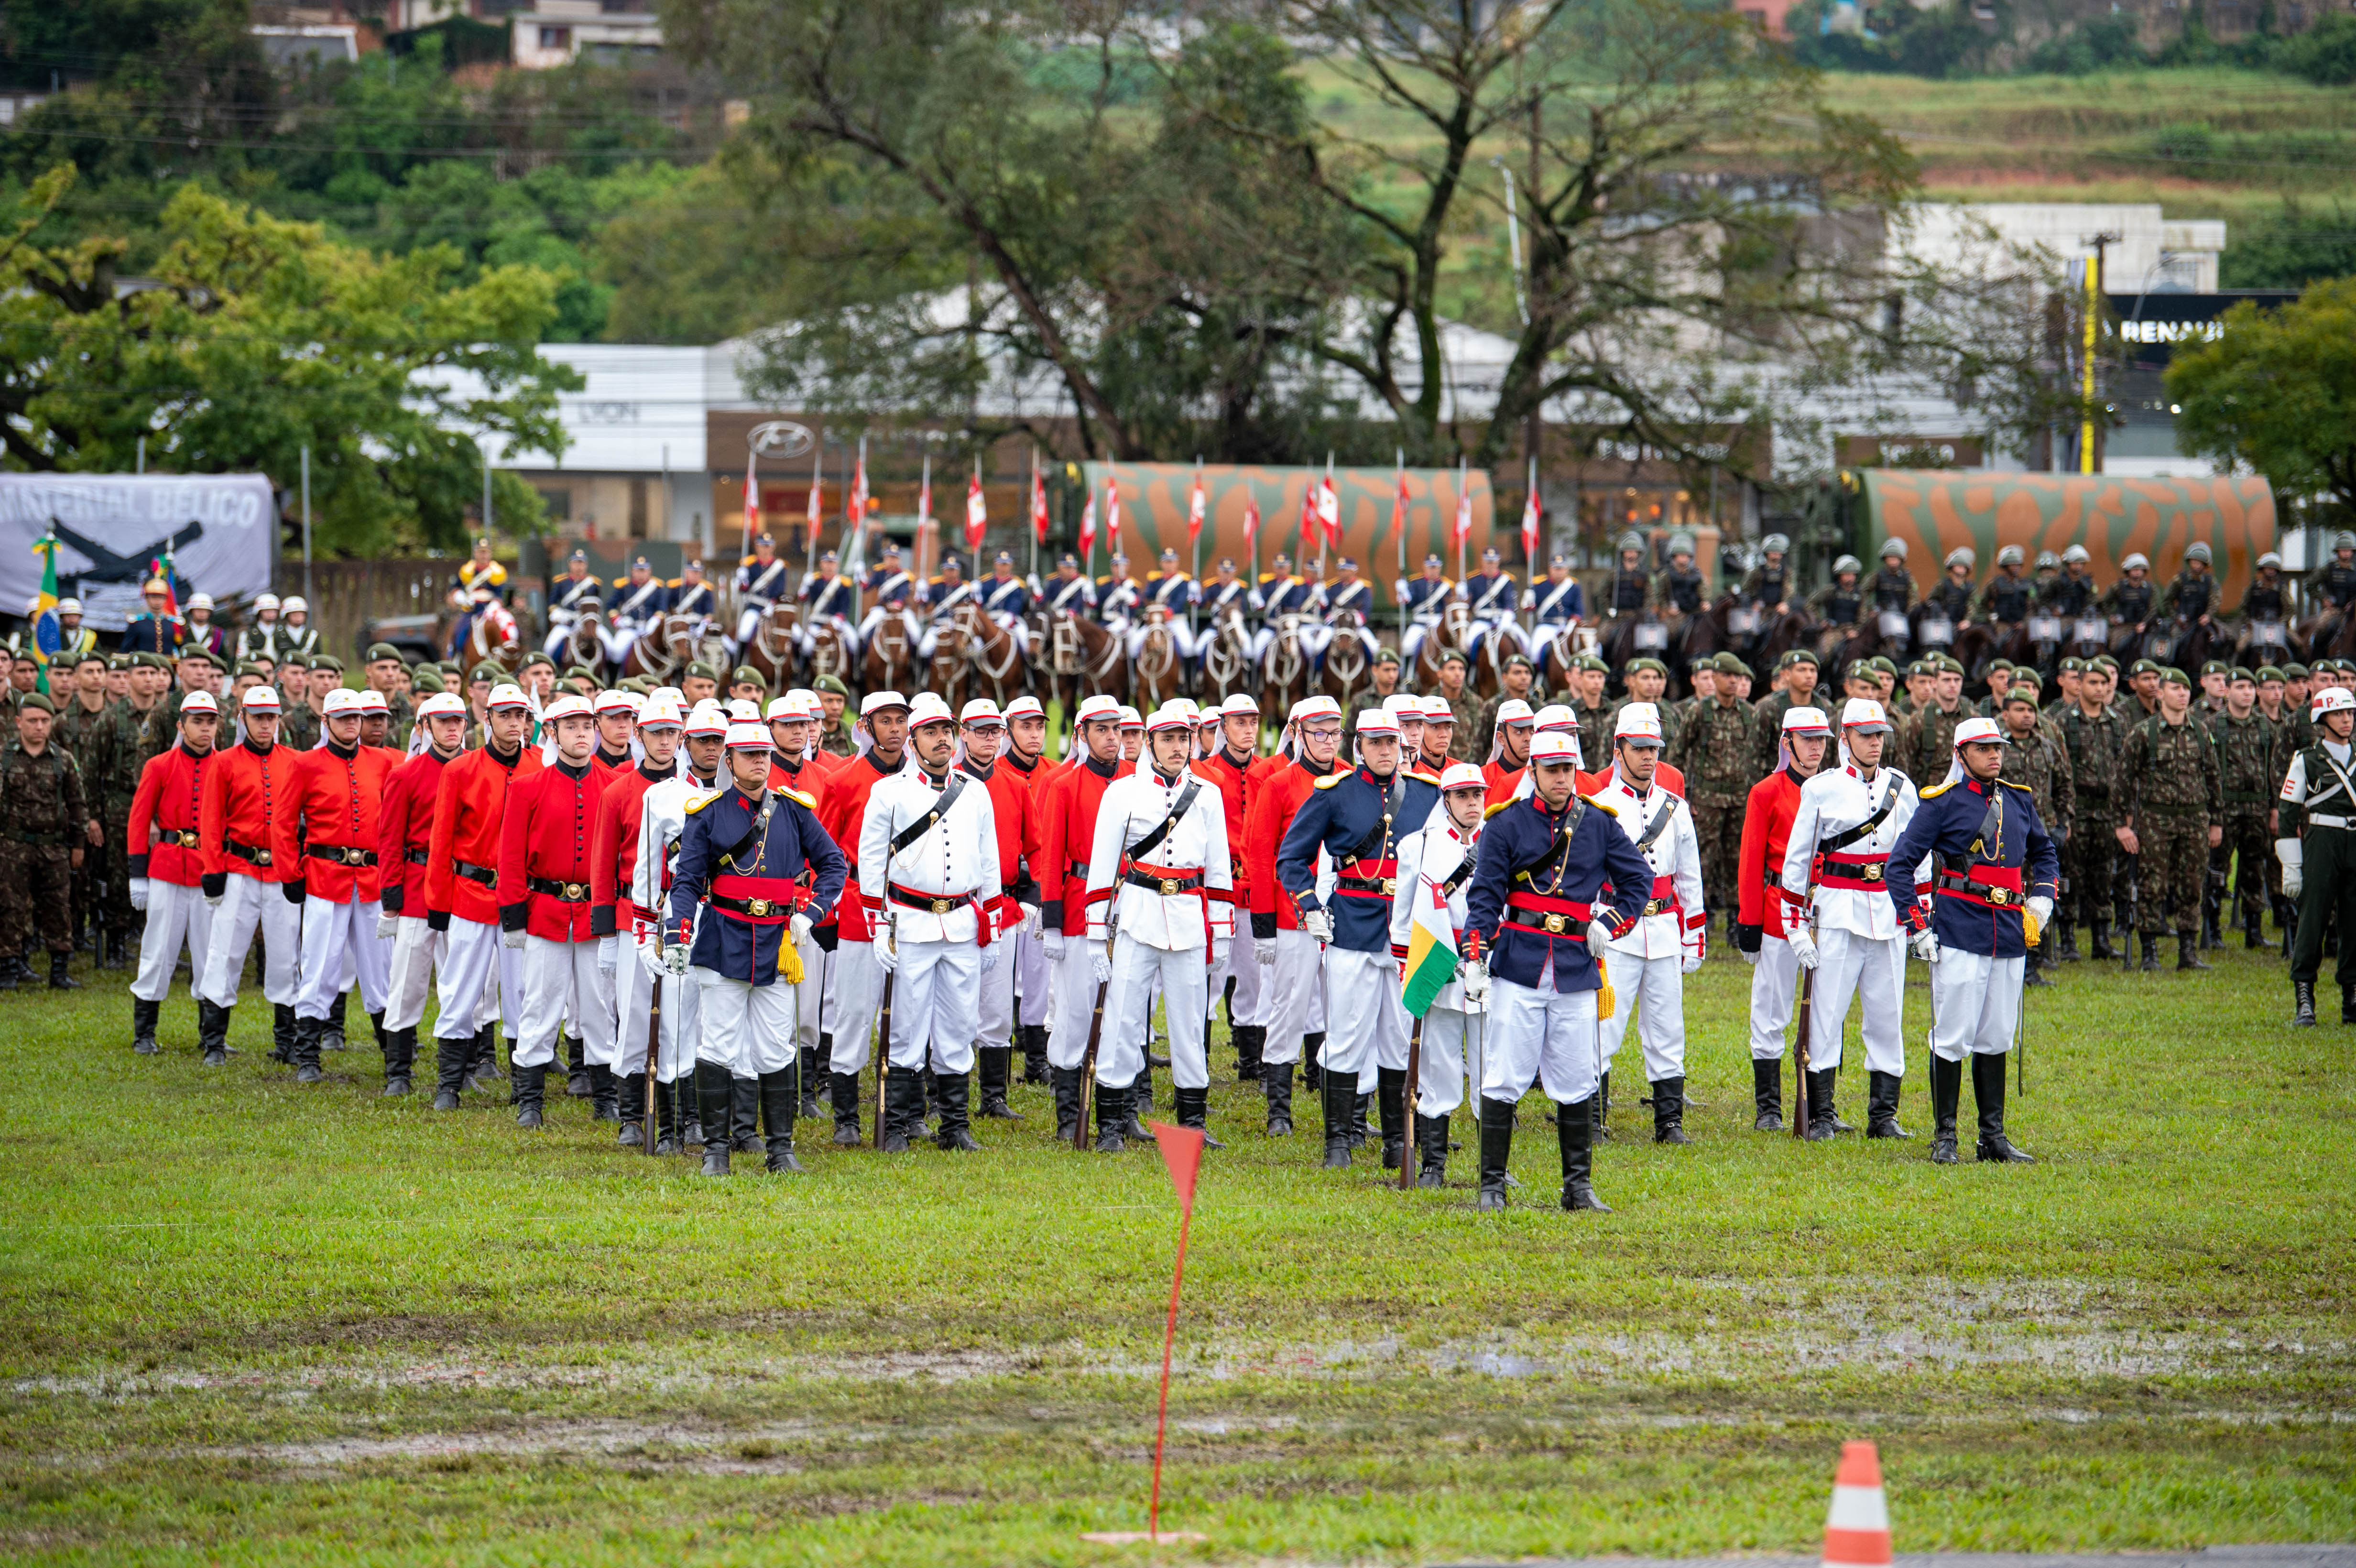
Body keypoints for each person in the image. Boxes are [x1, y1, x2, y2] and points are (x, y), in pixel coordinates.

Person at [1458, 729, 1650, 1212]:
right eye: (1552, 770)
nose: (1562, 778)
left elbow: (1638, 880)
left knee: (1577, 1075)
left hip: (1574, 965)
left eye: (1568, 769)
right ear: (1533, 772)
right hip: (1519, 962)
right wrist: (1474, 955)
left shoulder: (1599, 824)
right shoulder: (1505, 823)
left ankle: (1578, 1188)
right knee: (1504, 1074)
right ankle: (1491, 1186)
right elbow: (1485, 896)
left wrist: (1610, 922)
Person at [663, 717, 845, 1176]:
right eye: (749, 755)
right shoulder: (707, 812)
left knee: (775, 1047)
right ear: (730, 760)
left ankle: (780, 1150)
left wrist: (810, 914)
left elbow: (834, 864)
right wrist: (677, 932)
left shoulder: (795, 811)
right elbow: (687, 881)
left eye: (764, 754)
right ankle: (716, 1152)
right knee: (719, 1044)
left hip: (778, 942)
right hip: (723, 937)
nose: (759, 762)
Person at [1885, 715, 2060, 1165]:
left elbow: (2045, 851)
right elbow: (1899, 866)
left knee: (1997, 1035)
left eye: (1998, 747)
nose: (1994, 755)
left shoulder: (2019, 800)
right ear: (1961, 755)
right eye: (1983, 749)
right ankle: (1945, 1136)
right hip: (1961, 929)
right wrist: (1918, 927)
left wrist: (2042, 901)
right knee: (1952, 1035)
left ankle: (1992, 1138)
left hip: (2010, 931)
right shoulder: (1941, 803)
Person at [1083, 700, 1235, 1147]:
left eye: (1183, 738)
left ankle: (1192, 1125)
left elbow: (1219, 869)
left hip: (1188, 918)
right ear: (1149, 743)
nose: (1177, 747)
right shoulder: (1122, 793)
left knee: (1189, 1026)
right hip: (1137, 916)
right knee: (1122, 1022)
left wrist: (1222, 930)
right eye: (1167, 739)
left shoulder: (1207, 795)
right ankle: (1111, 1126)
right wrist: (1096, 935)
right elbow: (1102, 867)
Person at [859, 691, 1003, 1153]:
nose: (942, 740)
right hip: (910, 922)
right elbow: (870, 863)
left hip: (961, 923)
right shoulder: (889, 792)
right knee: (905, 1025)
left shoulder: (975, 791)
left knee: (960, 1024)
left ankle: (955, 1125)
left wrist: (993, 925)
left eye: (946, 731)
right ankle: (898, 1124)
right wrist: (878, 926)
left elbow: (990, 860)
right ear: (913, 740)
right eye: (931, 732)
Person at [1276, 708, 1413, 1169]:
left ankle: (1397, 1141)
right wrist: (1309, 906)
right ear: (1359, 747)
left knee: (1399, 1036)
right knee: (1346, 1035)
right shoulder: (1334, 793)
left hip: (1404, 931)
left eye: (1391, 742)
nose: (1385, 751)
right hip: (1352, 925)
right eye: (1375, 743)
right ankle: (1337, 1141)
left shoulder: (1424, 795)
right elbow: (1291, 857)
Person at [1781, 698, 1920, 1141]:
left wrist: (1919, 920)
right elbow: (1798, 860)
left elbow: (1917, 858)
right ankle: (1822, 1115)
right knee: (1826, 1016)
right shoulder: (1821, 788)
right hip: (1838, 912)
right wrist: (1795, 926)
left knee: (1887, 1015)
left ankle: (1884, 1116)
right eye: (1866, 735)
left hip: (1888, 913)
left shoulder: (1902, 787)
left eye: (1880, 735)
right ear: (1846, 738)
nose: (1875, 743)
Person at [496, 693, 621, 1130]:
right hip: (545, 912)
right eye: (571, 727)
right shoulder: (527, 787)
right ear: (552, 732)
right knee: (540, 1004)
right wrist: (514, 916)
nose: (581, 734)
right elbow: (511, 857)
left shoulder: (613, 784)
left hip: (596, 915)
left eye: (587, 726)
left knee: (599, 1007)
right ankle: (530, 1100)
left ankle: (606, 1098)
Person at [1587, 704, 1706, 1144]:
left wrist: (1694, 935)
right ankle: (1591, 1118)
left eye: (1653, 748)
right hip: (1614, 929)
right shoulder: (1599, 807)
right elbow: (1585, 875)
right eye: (1638, 748)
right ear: (1618, 749)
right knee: (1604, 1025)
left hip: (1664, 930)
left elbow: (1689, 878)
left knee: (1667, 1027)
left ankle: (1669, 1121)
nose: (1648, 757)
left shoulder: (1676, 807)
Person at [424, 683, 544, 1103]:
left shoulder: (541, 766)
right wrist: (438, 902)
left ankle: (524, 1087)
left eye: (520, 716)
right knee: (459, 988)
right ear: (488, 718)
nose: (513, 723)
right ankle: (450, 1083)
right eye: (504, 715)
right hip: (471, 893)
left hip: (522, 898)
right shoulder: (460, 770)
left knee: (521, 991)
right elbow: (441, 840)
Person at [280, 688, 399, 1086]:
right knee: (319, 966)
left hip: (372, 880)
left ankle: (394, 1060)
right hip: (324, 878)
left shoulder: (382, 761)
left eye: (356, 718)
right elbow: (284, 824)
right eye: (343, 717)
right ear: (326, 721)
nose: (351, 724)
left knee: (380, 969)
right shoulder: (305, 764)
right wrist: (290, 873)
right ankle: (308, 1057)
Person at [813, 691, 913, 1145]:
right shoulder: (843, 781)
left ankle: (908, 1113)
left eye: (901, 721)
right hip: (858, 907)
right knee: (853, 1012)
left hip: (914, 907)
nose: (895, 729)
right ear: (867, 727)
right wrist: (827, 911)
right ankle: (847, 1117)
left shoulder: (925, 781)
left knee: (910, 1011)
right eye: (885, 721)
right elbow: (824, 853)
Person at [1387, 761, 1489, 1187]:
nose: (1472, 804)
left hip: (1487, 967)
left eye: (1477, 795)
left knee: (1490, 1067)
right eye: (1462, 796)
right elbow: (1403, 917)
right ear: (1446, 800)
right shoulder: (1418, 846)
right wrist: (1406, 970)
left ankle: (1493, 1167)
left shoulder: (1499, 841)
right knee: (1439, 1066)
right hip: (1440, 966)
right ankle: (1434, 1165)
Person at [1244, 696, 1343, 1136]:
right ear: (1299, 734)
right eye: (1319, 732)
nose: (1328, 741)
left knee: (1343, 1010)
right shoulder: (1279, 784)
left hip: (1344, 918)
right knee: (1289, 1008)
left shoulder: (1350, 779)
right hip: (1293, 916)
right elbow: (1261, 855)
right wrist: (1264, 925)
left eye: (1334, 732)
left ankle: (1345, 1110)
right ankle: (1279, 1111)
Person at [590, 692, 685, 1143]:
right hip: (633, 916)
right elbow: (603, 864)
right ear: (640, 735)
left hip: (683, 916)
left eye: (672, 733)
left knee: (680, 1015)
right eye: (656, 733)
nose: (664, 741)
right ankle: (631, 1114)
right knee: (631, 1013)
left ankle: (679, 1114)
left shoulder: (694, 792)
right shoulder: (618, 792)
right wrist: (607, 933)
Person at [1035, 694, 1130, 1141]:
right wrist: (1052, 923)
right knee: (1075, 1011)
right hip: (1078, 904)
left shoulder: (1137, 781)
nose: (1112, 738)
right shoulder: (1064, 785)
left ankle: (1119, 1113)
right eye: (1102, 730)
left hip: (1131, 904)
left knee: (1124, 1012)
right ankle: (1068, 1114)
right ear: (1082, 735)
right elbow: (1051, 857)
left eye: (1117, 730)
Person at [1733, 705, 1831, 1130]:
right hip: (1778, 911)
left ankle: (1823, 1107)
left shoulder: (1836, 788)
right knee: (1771, 1007)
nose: (1815, 748)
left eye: (1821, 740)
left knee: (1825, 1008)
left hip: (1829, 909)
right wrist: (1750, 923)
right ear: (1787, 743)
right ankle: (1769, 1108)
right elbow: (1751, 860)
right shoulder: (1766, 792)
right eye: (1807, 740)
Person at [194, 684, 301, 1069]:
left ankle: (287, 1042)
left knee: (286, 954)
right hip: (239, 868)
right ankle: (214, 1042)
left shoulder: (295, 761)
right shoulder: (224, 762)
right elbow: (211, 820)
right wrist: (213, 869)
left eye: (271, 717)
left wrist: (297, 869)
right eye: (258, 718)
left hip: (281, 871)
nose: (265, 725)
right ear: (243, 719)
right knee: (225, 951)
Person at [376, 691, 469, 1106]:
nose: (451, 728)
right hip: (417, 887)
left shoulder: (474, 769)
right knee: (407, 981)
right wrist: (391, 897)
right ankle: (398, 1071)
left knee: (462, 981)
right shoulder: (405, 775)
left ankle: (461, 1070)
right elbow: (390, 840)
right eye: (443, 721)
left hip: (462, 888)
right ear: (425, 727)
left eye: (458, 721)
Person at [956, 698, 1037, 1122]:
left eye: (995, 731)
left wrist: (1031, 897)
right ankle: (938, 1091)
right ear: (963, 734)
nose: (990, 738)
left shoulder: (1016, 785)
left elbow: (1035, 845)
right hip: (953, 905)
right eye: (981, 731)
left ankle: (993, 1094)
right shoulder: (947, 781)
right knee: (950, 1001)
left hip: (1002, 905)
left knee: (998, 1002)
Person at [126, 693, 220, 1053]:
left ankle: (211, 1036)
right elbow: (139, 820)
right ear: (181, 725)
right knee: (158, 949)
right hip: (166, 867)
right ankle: (144, 1034)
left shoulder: (225, 765)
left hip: (210, 870)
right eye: (197, 722)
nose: (205, 729)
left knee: (210, 952)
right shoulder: (159, 765)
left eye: (210, 722)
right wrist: (138, 873)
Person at [0, 692, 89, 994]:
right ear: (18, 722)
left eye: (45, 721)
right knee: (10, 907)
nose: (39, 727)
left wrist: (79, 844)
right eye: (32, 721)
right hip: (12, 845)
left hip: (54, 846)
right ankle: (9, 967)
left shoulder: (63, 760)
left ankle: (59, 970)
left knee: (58, 907)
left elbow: (78, 804)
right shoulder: (5, 757)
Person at [2279, 686, 2356, 1025]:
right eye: (2338, 714)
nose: (2346, 720)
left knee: (2354, 923)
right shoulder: (2306, 760)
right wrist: (2292, 866)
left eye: (2350, 713)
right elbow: (2287, 815)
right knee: (2313, 920)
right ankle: (2304, 996)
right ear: (2322, 720)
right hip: (2322, 841)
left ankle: (2351, 996)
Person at [1667, 651, 1754, 927]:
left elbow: (1757, 758)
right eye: (1727, 676)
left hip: (1740, 798)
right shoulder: (1699, 713)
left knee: (1737, 858)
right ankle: (1699, 915)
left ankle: (1736, 919)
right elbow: (1678, 755)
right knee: (1702, 858)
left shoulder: (1749, 714)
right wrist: (1683, 798)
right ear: (1714, 678)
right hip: (1706, 799)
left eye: (1737, 676)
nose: (1733, 681)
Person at [1996, 682, 2074, 987]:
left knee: (2040, 894)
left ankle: (2034, 961)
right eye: (2020, 709)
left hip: (2042, 834)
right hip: (2006, 834)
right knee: (2013, 895)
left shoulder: (2047, 747)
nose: (2027, 715)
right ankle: (2014, 958)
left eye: (2031, 710)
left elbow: (2065, 785)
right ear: (2005, 714)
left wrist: (2063, 823)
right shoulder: (1998, 748)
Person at [2209, 666, 2276, 952]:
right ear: (2227, 691)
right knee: (2217, 869)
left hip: (2258, 807)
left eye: (2250, 687)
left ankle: (2254, 930)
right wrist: (2213, 815)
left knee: (2254, 869)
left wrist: (2274, 809)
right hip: (2226, 808)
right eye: (2240, 687)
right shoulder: (2213, 726)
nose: (2247, 693)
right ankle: (2212, 929)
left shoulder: (2265, 726)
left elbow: (2274, 771)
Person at [1751, 649, 1822, 779]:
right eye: (1802, 670)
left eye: (1813, 671)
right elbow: (1754, 754)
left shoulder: (1825, 708)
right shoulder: (1769, 707)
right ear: (1786, 675)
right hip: (1779, 782)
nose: (1809, 675)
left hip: (1818, 782)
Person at [1527, 552, 1587, 685]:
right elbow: (1530, 608)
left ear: (1567, 570)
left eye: (1561, 569)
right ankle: (1535, 683)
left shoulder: (1574, 586)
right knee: (1534, 651)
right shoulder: (1539, 585)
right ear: (1550, 569)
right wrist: (1528, 601)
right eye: (1556, 568)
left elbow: (1579, 611)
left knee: (1592, 647)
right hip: (1546, 625)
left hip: (1567, 626)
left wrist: (1572, 623)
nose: (1559, 572)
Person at [731, 534, 795, 658]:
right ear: (757, 547)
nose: (766, 549)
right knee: (744, 632)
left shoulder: (780, 567)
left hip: (774, 609)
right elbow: (744, 590)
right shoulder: (749, 565)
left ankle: (797, 665)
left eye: (768, 546)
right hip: (754, 608)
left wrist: (773, 606)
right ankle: (739, 663)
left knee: (796, 634)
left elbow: (780, 590)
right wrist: (742, 580)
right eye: (763, 546)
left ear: (773, 547)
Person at [602, 557, 669, 670]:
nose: (641, 574)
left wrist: (655, 621)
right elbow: (610, 606)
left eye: (643, 571)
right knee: (616, 652)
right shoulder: (624, 586)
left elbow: (662, 609)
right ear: (633, 571)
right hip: (629, 628)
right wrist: (619, 620)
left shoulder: (657, 588)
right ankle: (614, 678)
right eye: (638, 571)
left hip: (649, 629)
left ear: (649, 571)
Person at [854, 542, 919, 654]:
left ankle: (913, 662)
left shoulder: (905, 576)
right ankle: (863, 661)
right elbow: (867, 587)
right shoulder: (879, 572)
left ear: (899, 560)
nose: (891, 561)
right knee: (862, 632)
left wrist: (897, 603)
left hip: (901, 610)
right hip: (882, 609)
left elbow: (903, 593)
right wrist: (861, 576)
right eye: (889, 558)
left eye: (894, 558)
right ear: (885, 559)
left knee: (916, 635)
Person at [1462, 547, 1523, 662]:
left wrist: (1507, 616)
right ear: (1483, 562)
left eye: (1493, 562)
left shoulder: (1507, 580)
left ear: (1498, 562)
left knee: (1526, 643)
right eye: (1488, 562)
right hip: (1481, 621)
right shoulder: (1474, 580)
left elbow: (1509, 602)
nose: (1490, 565)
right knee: (1468, 643)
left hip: (1502, 620)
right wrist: (1463, 597)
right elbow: (1469, 606)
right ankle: (1472, 669)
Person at [1396, 554, 1455, 667]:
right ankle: (1407, 672)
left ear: (1440, 568)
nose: (1433, 570)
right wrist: (1404, 593)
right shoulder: (1416, 583)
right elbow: (1410, 604)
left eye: (1435, 567)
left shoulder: (1446, 586)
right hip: (1419, 623)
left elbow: (1447, 608)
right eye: (1430, 567)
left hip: (1437, 623)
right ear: (1425, 567)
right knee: (1407, 647)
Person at [979, 553, 1034, 661]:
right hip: (988, 619)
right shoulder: (986, 583)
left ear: (1011, 566)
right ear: (995, 565)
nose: (1003, 567)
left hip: (1009, 620)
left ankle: (1027, 667)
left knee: (1023, 638)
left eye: (1006, 565)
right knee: (976, 645)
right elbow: (982, 605)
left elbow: (1015, 606)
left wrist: (1004, 622)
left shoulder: (1017, 585)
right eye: (1001, 564)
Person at [1968, 546, 2034, 629]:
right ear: (2005, 566)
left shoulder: (2027, 585)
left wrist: (2025, 622)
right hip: (2001, 625)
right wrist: (1990, 617)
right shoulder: (1994, 584)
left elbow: (2032, 607)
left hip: (2022, 626)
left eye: (2018, 565)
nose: (2016, 568)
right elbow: (1982, 606)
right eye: (2013, 565)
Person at [118, 578, 185, 657]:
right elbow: (125, 650)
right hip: (144, 663)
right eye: (153, 597)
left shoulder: (173, 623)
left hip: (168, 663)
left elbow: (182, 649)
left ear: (166, 599)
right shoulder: (137, 623)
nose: (157, 601)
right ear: (147, 599)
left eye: (161, 597)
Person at [1807, 557, 1865, 630]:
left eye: (1854, 575)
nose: (1851, 578)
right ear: (1839, 575)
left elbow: (1863, 616)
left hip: (1853, 631)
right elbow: (1809, 603)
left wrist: (1857, 630)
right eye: (1847, 574)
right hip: (1833, 630)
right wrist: (1819, 621)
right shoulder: (1830, 590)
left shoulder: (1860, 593)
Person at [236, 594, 283, 664]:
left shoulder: (283, 632)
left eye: (274, 610)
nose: (271, 614)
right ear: (259, 612)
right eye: (267, 611)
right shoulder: (247, 634)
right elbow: (241, 659)